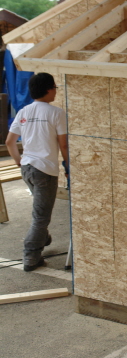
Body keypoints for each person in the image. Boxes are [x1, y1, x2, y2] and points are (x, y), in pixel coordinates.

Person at [6, 72, 68, 271]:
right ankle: (31, 256)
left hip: (27, 169)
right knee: (41, 217)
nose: (55, 92)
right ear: (48, 90)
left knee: (41, 209)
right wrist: (68, 167)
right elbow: (64, 145)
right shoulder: (56, 113)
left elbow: (9, 142)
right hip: (45, 171)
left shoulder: (23, 111)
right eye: (55, 88)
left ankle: (43, 237)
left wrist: (19, 161)